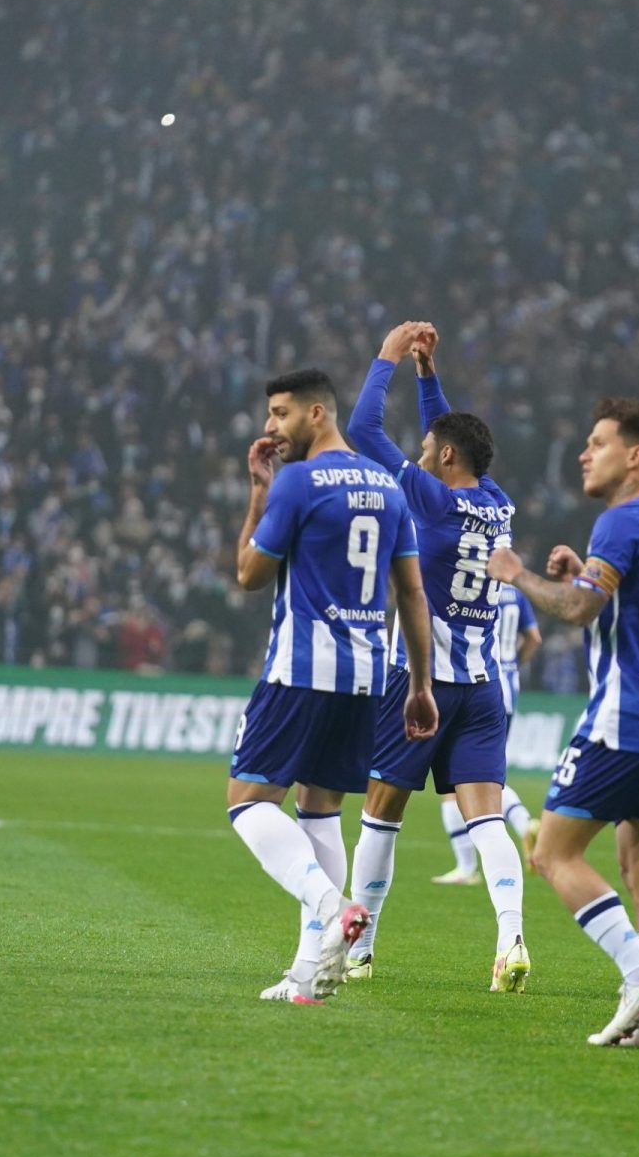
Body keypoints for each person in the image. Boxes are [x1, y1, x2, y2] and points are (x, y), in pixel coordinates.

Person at [487, 398, 639, 1050]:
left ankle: (638, 976)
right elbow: (616, 599)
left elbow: (578, 611)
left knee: (551, 852)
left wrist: (517, 575)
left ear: (634, 457)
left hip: (624, 721)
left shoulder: (621, 519)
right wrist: (582, 568)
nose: (585, 452)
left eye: (598, 443)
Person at [228, 368, 439, 1005]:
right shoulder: (387, 485)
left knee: (247, 803)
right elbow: (411, 591)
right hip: (369, 676)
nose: (271, 426)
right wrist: (419, 684)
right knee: (320, 813)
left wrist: (259, 494)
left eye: (281, 413)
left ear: (317, 413)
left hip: (301, 669)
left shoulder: (297, 481)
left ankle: (330, 904)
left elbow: (249, 575)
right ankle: (308, 974)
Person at [343, 322, 530, 990]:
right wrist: (429, 377)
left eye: (427, 449)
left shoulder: (432, 497)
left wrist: (389, 358)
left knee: (379, 813)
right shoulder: (496, 505)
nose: (419, 456)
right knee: (485, 817)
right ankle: (511, 939)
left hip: (422, 682)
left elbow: (364, 431)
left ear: (446, 458)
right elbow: (447, 436)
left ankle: (359, 949)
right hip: (483, 688)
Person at [434, 578, 542, 885]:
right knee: (485, 774)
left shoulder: (477, 585)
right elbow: (533, 637)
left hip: (478, 683)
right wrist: (513, 665)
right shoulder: (518, 593)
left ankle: (466, 867)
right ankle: (523, 825)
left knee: (461, 781)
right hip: (507, 688)